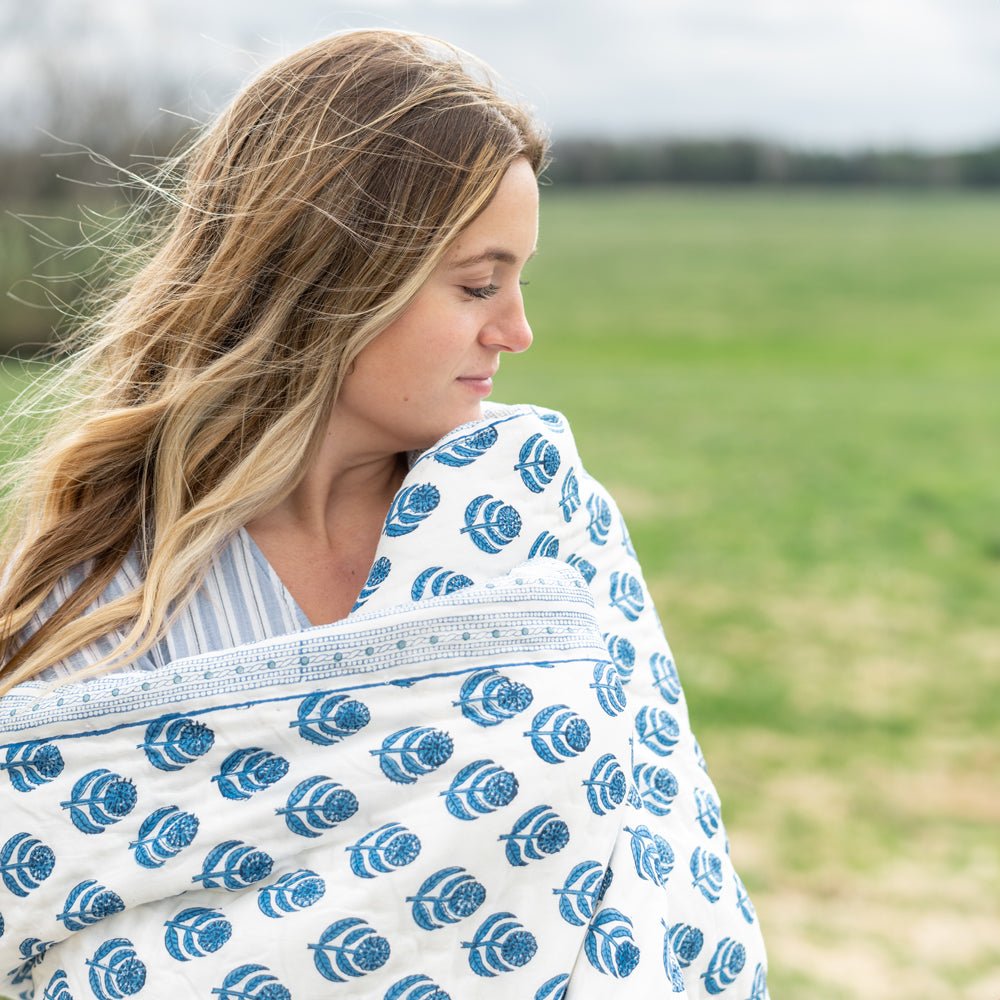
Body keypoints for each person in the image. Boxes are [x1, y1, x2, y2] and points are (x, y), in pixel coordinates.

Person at [0, 30, 768, 1000]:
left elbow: (667, 875)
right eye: (478, 284)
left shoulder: (536, 515)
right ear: (334, 276)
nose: (516, 329)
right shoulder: (101, 593)